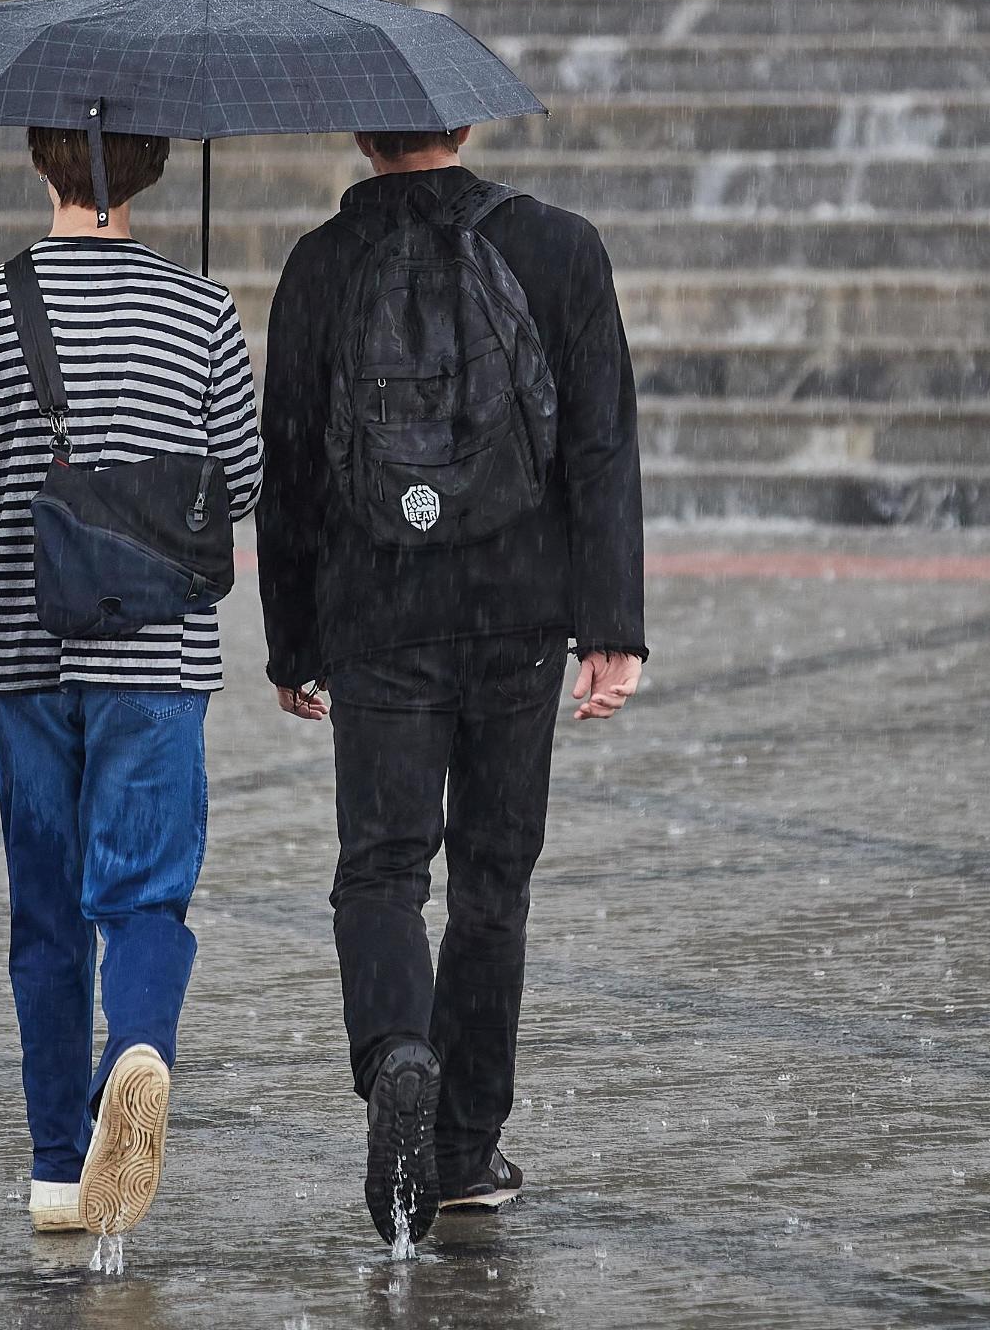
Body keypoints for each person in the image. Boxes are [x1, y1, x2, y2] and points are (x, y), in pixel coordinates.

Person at [258, 125, 646, 1244]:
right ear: (466, 128)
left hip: (378, 611)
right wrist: (610, 624)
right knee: (492, 878)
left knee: (381, 866)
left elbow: (291, 463)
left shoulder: (321, 265)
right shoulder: (561, 248)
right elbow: (602, 443)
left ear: (359, 137)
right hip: (520, 607)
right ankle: (467, 1150)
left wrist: (294, 640)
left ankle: (399, 1052)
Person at [0, 123, 263, 1243]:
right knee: (144, 891)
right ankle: (138, 1045)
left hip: (18, 650)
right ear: (152, 168)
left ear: (37, 163)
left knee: (46, 913)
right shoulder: (202, 310)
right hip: (158, 650)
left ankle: (58, 1164)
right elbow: (239, 483)